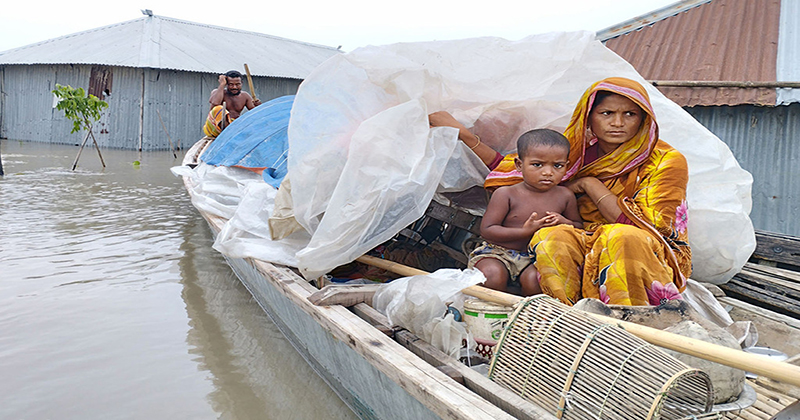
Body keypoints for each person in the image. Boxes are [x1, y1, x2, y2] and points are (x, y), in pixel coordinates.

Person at [488, 77, 690, 306]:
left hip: (642, 246)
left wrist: (590, 185)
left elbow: (646, 226)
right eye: (607, 113)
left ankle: (625, 321)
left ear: (644, 119)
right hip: (586, 237)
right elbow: (516, 169)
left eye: (630, 115)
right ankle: (567, 319)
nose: (617, 123)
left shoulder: (666, 161)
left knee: (620, 236)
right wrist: (465, 135)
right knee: (550, 236)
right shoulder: (576, 154)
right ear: (588, 116)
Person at [468, 129, 582, 296]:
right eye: (537, 165)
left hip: (535, 258)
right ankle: (493, 314)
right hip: (498, 253)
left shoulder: (565, 196)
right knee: (492, 275)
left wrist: (564, 222)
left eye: (557, 166)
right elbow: (487, 230)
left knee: (537, 280)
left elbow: (579, 227)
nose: (548, 172)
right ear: (519, 165)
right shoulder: (506, 194)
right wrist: (524, 232)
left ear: (566, 166)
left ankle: (524, 316)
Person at [203, 70, 261, 137]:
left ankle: (233, 131)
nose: (234, 87)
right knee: (218, 108)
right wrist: (222, 84)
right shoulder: (218, 92)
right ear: (226, 84)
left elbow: (255, 113)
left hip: (235, 126)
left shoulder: (245, 96)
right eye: (231, 84)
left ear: (241, 83)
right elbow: (215, 103)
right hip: (216, 128)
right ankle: (229, 132)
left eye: (237, 84)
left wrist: (258, 106)